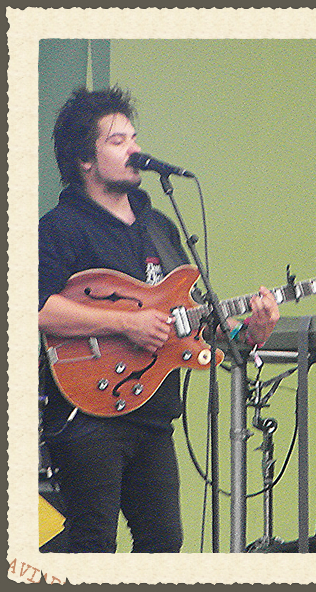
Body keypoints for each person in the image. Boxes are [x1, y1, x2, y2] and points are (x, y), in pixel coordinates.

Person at [38, 87, 280, 552]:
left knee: (164, 542)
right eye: (117, 141)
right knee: (93, 543)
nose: (134, 149)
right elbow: (37, 307)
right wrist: (124, 324)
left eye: (134, 137)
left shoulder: (160, 227)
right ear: (85, 160)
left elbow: (192, 323)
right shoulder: (60, 228)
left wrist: (250, 332)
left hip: (152, 414)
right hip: (86, 414)